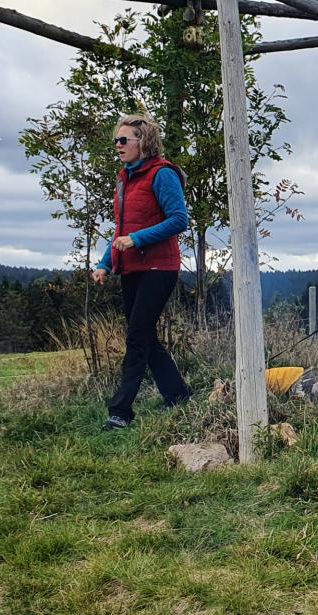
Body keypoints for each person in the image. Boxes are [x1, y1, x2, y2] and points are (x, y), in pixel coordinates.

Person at [92, 114, 191, 430]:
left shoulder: (162, 174)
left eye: (124, 140)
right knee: (144, 335)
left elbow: (179, 219)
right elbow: (120, 230)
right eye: (116, 141)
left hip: (159, 267)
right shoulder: (125, 179)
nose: (118, 145)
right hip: (131, 268)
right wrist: (105, 263)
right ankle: (178, 395)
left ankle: (121, 411)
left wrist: (137, 239)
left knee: (136, 336)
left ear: (143, 141)